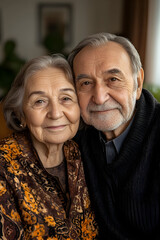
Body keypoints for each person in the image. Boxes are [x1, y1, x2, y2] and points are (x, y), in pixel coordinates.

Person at [68, 32, 160, 239]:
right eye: (85, 83)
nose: (99, 98)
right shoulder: (76, 143)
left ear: (138, 82)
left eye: (113, 79)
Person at [0, 54, 98, 239]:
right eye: (40, 101)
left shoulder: (80, 153)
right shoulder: (3, 166)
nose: (55, 113)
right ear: (21, 115)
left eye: (66, 98)